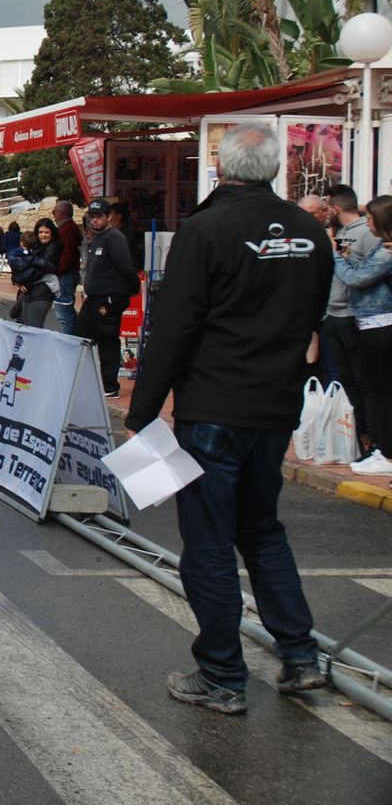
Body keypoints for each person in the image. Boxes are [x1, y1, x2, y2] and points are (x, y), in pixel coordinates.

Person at [123, 122, 332, 716]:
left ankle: (222, 675)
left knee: (209, 546)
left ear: (221, 168)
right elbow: (311, 314)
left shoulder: (207, 229)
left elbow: (175, 325)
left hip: (214, 408)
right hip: (274, 408)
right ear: (274, 169)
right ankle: (299, 657)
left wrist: (142, 411)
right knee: (262, 531)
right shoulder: (310, 230)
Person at [320, 186, 377, 465]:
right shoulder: (339, 234)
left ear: (334, 207)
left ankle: (370, 439)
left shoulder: (366, 234)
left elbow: (363, 273)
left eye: (326, 206)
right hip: (332, 316)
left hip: (355, 317)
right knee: (345, 381)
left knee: (362, 380)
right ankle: (352, 438)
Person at [336, 195, 392, 478]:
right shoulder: (383, 248)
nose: (366, 223)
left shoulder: (386, 252)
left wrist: (334, 256)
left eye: (370, 218)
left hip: (381, 324)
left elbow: (357, 279)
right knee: (378, 389)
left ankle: (386, 452)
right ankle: (383, 450)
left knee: (381, 392)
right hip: (371, 322)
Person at [71, 198, 136, 398]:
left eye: (99, 216)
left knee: (107, 338)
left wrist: (132, 288)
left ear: (108, 217)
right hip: (95, 297)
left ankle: (110, 386)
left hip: (109, 297)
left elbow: (125, 266)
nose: (95, 220)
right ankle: (81, 380)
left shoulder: (113, 237)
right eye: (92, 216)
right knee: (79, 337)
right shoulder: (97, 238)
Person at [8, 218, 62, 329]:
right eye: (40, 232)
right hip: (30, 291)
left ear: (52, 233)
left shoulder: (53, 247)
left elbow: (40, 271)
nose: (43, 235)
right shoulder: (35, 247)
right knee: (27, 327)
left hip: (41, 293)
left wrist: (22, 281)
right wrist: (18, 281)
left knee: (34, 329)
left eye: (46, 232)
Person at [53, 200, 82, 334]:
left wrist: (58, 270)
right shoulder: (69, 228)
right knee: (65, 311)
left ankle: (68, 339)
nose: (53, 215)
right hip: (67, 273)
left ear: (61, 214)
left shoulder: (67, 229)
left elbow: (68, 252)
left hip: (65, 274)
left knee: (64, 311)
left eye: (55, 212)